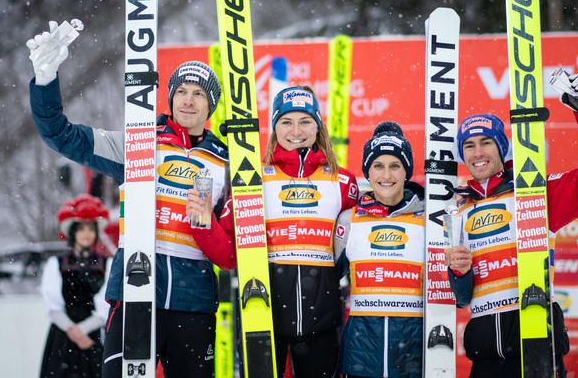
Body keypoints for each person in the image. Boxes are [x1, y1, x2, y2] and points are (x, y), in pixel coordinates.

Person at [26, 21, 236, 378]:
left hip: (193, 303)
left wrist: (205, 224)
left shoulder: (226, 161)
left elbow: (230, 256)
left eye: (199, 93)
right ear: (169, 97)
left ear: (211, 103)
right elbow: (61, 135)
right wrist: (45, 81)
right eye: (181, 90)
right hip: (135, 292)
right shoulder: (138, 144)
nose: (188, 99)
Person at [445, 73, 578, 378]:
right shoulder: (458, 209)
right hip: (485, 355)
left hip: (536, 348)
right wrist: (459, 271)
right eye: (469, 145)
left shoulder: (534, 194)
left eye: (486, 142)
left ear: (502, 148)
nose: (477, 153)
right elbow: (462, 297)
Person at [262, 86, 359, 378]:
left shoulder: (343, 181)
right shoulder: (256, 177)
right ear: (274, 128)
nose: (296, 131)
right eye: (286, 121)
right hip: (264, 315)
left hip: (323, 320)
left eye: (305, 121)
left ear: (318, 126)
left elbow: (354, 246)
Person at [334, 121, 425, 378]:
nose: (386, 175)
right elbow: (326, 283)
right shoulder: (349, 220)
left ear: (406, 171)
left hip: (412, 358)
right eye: (378, 166)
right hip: (361, 357)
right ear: (368, 172)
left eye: (395, 166)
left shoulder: (428, 219)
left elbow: (454, 291)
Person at [39, 194, 111, 378]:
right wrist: (74, 332)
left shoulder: (108, 264)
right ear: (73, 232)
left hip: (93, 336)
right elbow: (53, 306)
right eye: (81, 229)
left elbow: (106, 306)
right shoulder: (56, 263)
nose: (86, 233)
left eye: (91, 228)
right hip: (62, 337)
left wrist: (83, 331)